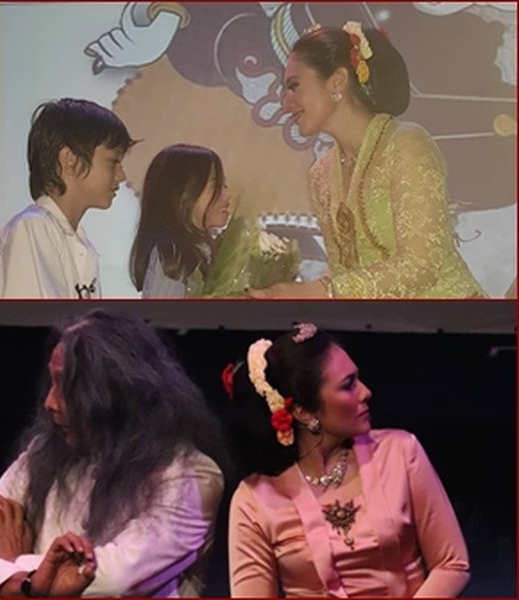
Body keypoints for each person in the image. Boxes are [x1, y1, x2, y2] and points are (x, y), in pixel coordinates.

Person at [0, 309, 227, 597]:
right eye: (52, 382)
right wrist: (29, 584)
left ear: (116, 393)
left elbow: (114, 582)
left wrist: (13, 566)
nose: (49, 402)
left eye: (67, 387)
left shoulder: (188, 477)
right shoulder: (42, 453)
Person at [224, 323, 470, 596]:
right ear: (304, 412)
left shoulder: (399, 452)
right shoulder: (255, 499)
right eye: (349, 385)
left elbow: (451, 564)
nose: (366, 392)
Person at [249, 21, 485, 298]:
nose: (286, 103)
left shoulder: (405, 144)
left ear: (337, 81)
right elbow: (344, 271)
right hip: (385, 327)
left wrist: (322, 292)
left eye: (294, 86)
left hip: (456, 325)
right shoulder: (321, 173)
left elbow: (422, 265)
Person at [0, 98, 136, 299]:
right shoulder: (32, 228)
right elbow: (38, 324)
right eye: (113, 162)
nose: (121, 175)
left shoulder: (77, 242)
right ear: (69, 161)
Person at [129, 143, 232, 298]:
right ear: (183, 193)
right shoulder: (173, 254)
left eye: (224, 185)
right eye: (215, 186)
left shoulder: (204, 247)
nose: (226, 195)